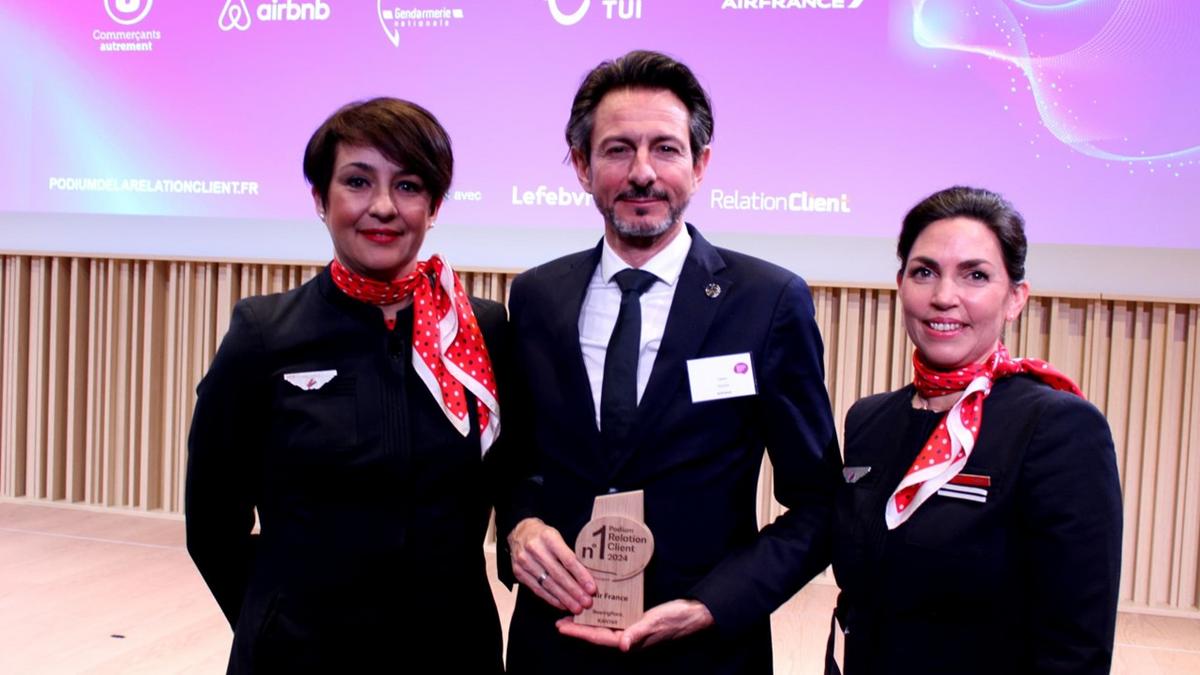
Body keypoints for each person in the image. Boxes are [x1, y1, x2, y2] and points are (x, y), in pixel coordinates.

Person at [498, 50, 841, 674]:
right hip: (553, 646)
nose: (642, 173)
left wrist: (713, 606)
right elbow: (518, 464)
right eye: (617, 150)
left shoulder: (766, 301)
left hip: (704, 654)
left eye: (666, 149)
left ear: (700, 164)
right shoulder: (537, 297)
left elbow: (819, 504)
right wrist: (520, 526)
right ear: (582, 165)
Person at [185, 98, 509, 674]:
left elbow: (515, 480)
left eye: (408, 186)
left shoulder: (478, 332)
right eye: (358, 182)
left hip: (453, 653)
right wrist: (272, 620)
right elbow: (212, 522)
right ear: (320, 199)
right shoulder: (264, 334)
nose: (382, 207)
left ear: (433, 206)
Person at [828, 186, 1122, 674]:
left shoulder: (1058, 427)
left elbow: (1077, 647)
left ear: (1015, 299)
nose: (944, 297)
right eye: (924, 272)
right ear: (900, 284)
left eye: (976, 276)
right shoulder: (869, 420)